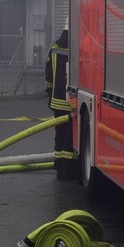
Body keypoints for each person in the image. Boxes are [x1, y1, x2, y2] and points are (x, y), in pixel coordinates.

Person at [45, 24, 78, 179]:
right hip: (71, 101)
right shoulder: (77, 47)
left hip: (56, 100)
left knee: (59, 134)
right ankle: (68, 169)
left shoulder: (54, 47)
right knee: (70, 137)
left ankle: (59, 167)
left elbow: (48, 74)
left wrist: (49, 93)